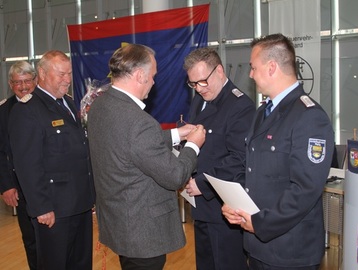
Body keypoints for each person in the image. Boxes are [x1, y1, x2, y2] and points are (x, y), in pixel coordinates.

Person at [87, 44, 206, 270]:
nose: (153, 82)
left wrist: (175, 134)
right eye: (152, 76)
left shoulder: (101, 105)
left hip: (119, 223)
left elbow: (128, 145)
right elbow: (175, 176)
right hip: (143, 234)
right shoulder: (139, 122)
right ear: (140, 75)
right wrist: (193, 145)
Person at [221, 33, 335, 270]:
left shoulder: (309, 116)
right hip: (257, 245)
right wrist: (236, 206)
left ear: (272, 67)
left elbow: (305, 189)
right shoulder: (262, 113)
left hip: (289, 251)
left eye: (253, 67)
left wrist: (261, 223)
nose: (250, 74)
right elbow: (252, 170)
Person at [8, 50, 95, 270]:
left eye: (69, 74)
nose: (67, 79)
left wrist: (91, 196)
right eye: (61, 74)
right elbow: (27, 165)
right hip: (54, 210)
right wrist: (41, 207)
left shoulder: (67, 103)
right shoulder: (27, 110)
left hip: (80, 204)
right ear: (43, 74)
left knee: (81, 264)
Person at [183, 47, 256, 270]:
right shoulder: (200, 99)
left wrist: (201, 183)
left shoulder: (239, 105)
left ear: (220, 71)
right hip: (201, 206)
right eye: (193, 84)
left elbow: (238, 158)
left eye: (203, 81)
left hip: (224, 209)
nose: (199, 88)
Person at [0, 61, 37, 270]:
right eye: (17, 83)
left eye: (26, 81)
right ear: (10, 84)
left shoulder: (47, 105)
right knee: (31, 239)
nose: (22, 87)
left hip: (49, 185)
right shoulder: (3, 111)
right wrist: (5, 186)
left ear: (35, 81)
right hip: (20, 187)